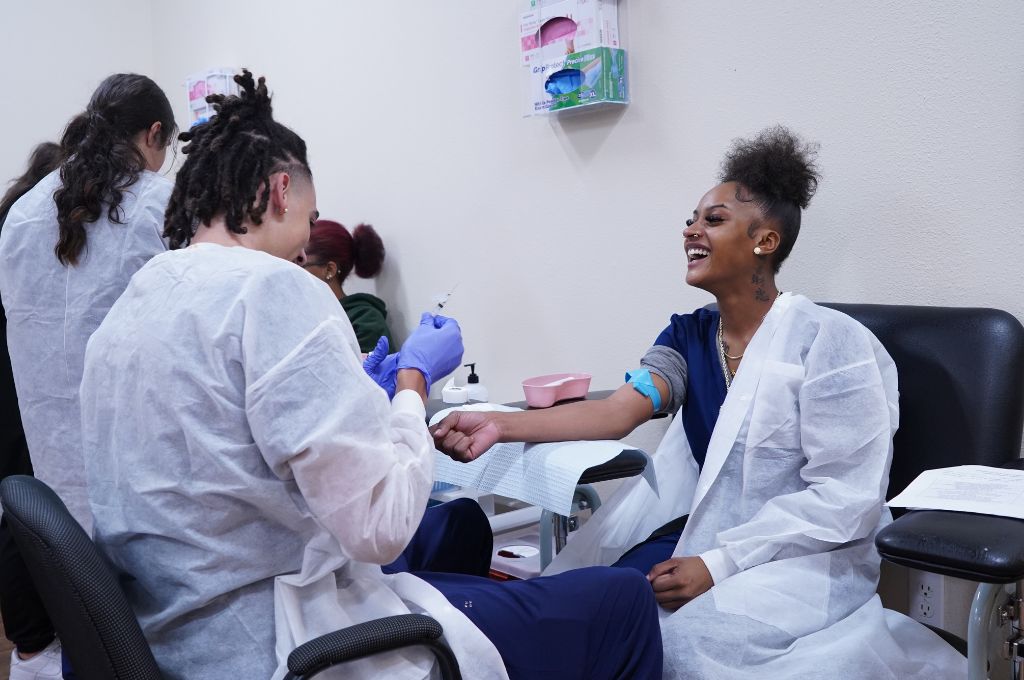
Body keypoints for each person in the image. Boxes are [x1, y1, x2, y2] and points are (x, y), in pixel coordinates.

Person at [79, 70, 661, 680]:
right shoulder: (273, 289)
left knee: (458, 534)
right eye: (309, 220)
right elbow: (381, 529)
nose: (305, 244)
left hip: (173, 635)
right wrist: (413, 382)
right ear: (280, 190)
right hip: (280, 643)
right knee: (620, 601)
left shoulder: (135, 302)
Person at [432, 126, 967, 679]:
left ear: (765, 241)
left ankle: (444, 614)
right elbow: (615, 413)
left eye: (713, 219)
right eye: (691, 220)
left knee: (679, 643)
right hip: (701, 533)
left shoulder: (832, 343)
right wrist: (497, 424)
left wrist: (719, 563)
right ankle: (443, 615)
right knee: (597, 606)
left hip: (808, 557)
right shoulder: (688, 338)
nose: (690, 230)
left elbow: (845, 498)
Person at [0, 73, 176, 537]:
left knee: (72, 563)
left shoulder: (24, 213)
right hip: (140, 456)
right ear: (154, 133)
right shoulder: (157, 204)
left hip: (50, 458)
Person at [0, 141, 64, 680]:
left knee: (18, 506)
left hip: (18, 389)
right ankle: (32, 650)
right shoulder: (24, 236)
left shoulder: (12, 228)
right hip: (16, 391)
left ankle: (31, 646)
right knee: (23, 508)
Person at [303, 219, 394, 353]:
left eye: (299, 264)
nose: (291, 272)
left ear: (329, 270)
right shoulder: (302, 316)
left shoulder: (365, 321)